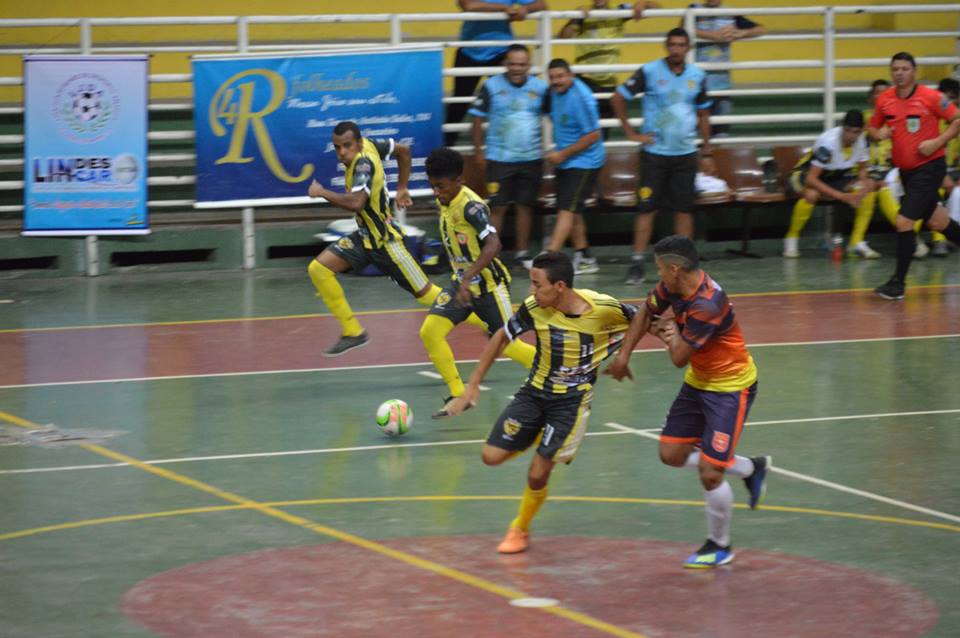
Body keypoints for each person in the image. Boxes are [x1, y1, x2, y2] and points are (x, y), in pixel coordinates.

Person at [444, 251, 637, 554]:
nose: (531, 292)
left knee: (537, 472)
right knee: (490, 457)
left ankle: (519, 528)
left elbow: (643, 320)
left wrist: (625, 356)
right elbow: (501, 337)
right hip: (534, 393)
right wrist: (472, 385)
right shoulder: (535, 308)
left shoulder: (602, 308)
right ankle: (537, 435)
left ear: (560, 286)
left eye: (537, 285)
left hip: (571, 403)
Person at [604, 234, 769, 569]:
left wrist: (668, 332)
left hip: (730, 389)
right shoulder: (673, 286)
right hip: (699, 382)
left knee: (710, 472)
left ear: (676, 269)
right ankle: (752, 468)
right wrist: (623, 357)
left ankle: (720, 545)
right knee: (671, 454)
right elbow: (644, 314)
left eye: (661, 270)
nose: (659, 276)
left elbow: (678, 356)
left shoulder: (707, 304)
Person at [307, 121, 445, 356]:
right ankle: (353, 331)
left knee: (429, 296)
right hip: (364, 238)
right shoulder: (371, 145)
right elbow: (403, 150)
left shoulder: (363, 165)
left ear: (359, 144)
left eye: (346, 146)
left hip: (385, 242)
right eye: (337, 147)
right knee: (318, 270)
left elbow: (356, 203)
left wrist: (322, 193)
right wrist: (402, 187)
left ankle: (483, 318)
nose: (341, 153)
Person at [419, 148, 536, 417]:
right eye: (432, 186)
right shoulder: (445, 200)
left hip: (488, 288)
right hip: (460, 285)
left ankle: (556, 375)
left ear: (458, 181)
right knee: (430, 332)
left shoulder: (471, 207)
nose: (436, 192)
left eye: (441, 186)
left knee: (509, 345)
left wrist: (469, 277)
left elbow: (494, 244)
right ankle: (459, 394)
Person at [611, 27, 714, 284]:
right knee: (647, 209)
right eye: (672, 45)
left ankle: (686, 265)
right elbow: (617, 97)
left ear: (687, 48)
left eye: (681, 45)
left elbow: (703, 114)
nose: (676, 49)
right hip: (654, 154)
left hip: (686, 153)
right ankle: (637, 263)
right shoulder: (649, 71)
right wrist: (630, 131)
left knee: (684, 210)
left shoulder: (698, 76)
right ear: (666, 46)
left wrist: (707, 150)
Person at [869, 52, 960, 300]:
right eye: (895, 69)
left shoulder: (931, 97)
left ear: (914, 72)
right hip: (906, 173)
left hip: (930, 168)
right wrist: (879, 134)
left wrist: (937, 142)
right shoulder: (885, 100)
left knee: (904, 221)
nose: (899, 73)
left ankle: (898, 284)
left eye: (905, 69)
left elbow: (956, 119)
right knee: (939, 222)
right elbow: (873, 127)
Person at [469, 44, 549, 268]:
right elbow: (476, 119)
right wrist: (478, 152)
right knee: (498, 207)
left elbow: (556, 114)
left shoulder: (541, 88)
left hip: (532, 158)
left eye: (522, 64)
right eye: (512, 63)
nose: (516, 68)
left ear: (529, 66)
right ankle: (491, 255)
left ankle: (522, 253)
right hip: (498, 158)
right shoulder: (491, 85)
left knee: (525, 206)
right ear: (505, 64)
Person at [445, 0, 547, 147]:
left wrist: (526, 9)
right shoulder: (503, 7)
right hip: (470, 51)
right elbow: (468, 5)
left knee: (509, 99)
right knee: (459, 103)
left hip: (501, 52)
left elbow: (542, 5)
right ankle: (447, 149)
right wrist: (504, 8)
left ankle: (512, 143)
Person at [781, 110, 880, 259]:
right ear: (842, 127)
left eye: (856, 132)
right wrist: (842, 196)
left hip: (834, 176)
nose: (851, 136)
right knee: (811, 195)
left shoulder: (863, 141)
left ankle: (856, 242)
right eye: (848, 131)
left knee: (868, 189)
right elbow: (811, 179)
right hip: (803, 175)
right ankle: (791, 239)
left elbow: (862, 169)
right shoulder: (828, 143)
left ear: (862, 130)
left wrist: (860, 186)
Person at [542, 58, 605, 275]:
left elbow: (594, 135)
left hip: (585, 161)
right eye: (552, 77)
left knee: (566, 209)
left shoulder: (582, 98)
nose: (556, 81)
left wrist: (562, 154)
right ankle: (585, 256)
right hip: (567, 159)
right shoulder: (553, 93)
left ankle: (548, 260)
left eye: (560, 76)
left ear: (571, 76)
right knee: (573, 210)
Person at [687, 0, 764, 137]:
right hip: (696, 83)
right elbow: (684, 30)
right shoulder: (694, 8)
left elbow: (760, 29)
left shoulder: (729, 14)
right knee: (695, 129)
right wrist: (713, 36)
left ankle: (718, 155)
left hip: (722, 84)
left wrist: (740, 33)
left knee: (721, 130)